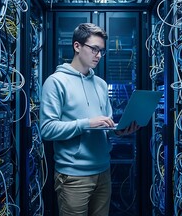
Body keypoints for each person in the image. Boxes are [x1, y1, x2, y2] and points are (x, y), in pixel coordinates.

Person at [40, 23, 139, 216]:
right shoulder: (56, 82)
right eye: (94, 49)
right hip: (73, 176)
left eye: (101, 51)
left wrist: (119, 130)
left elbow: (105, 124)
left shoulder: (101, 84)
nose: (99, 55)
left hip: (103, 171)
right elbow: (47, 129)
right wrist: (87, 123)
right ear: (77, 46)